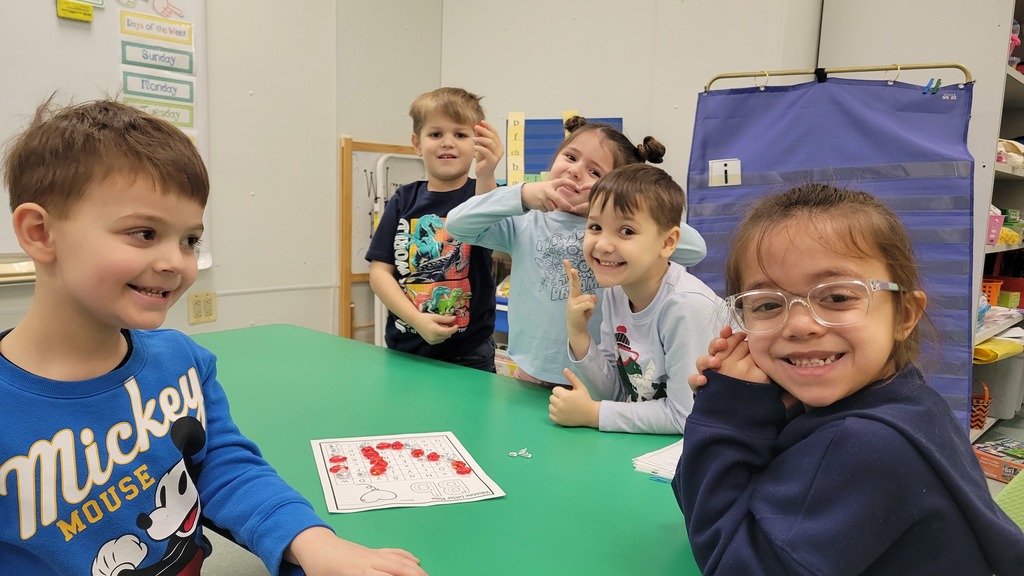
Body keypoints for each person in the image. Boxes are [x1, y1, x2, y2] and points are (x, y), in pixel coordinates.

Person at [0, 98, 426, 576]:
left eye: (189, 240)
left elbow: (222, 466)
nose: (177, 263)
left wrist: (311, 542)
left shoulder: (183, 362)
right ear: (40, 232)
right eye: (143, 233)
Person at [674, 183, 1024, 575]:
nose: (800, 324)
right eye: (768, 304)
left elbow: (729, 563)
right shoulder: (904, 399)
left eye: (837, 297)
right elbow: (703, 500)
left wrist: (723, 419)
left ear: (905, 315)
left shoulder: (866, 442)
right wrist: (749, 413)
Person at [447, 116, 707, 386]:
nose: (575, 171)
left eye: (595, 172)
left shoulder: (614, 233)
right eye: (570, 157)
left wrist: (617, 203)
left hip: (598, 379)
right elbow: (458, 225)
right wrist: (523, 194)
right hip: (529, 372)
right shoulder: (527, 218)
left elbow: (694, 250)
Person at [553, 164, 723, 434]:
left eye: (626, 231)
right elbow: (618, 391)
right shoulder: (617, 290)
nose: (603, 245)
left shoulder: (685, 306)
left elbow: (685, 415)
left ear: (668, 243)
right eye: (595, 226)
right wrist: (578, 334)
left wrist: (594, 414)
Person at [365, 87, 501, 372]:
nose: (448, 143)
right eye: (436, 134)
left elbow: (491, 220)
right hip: (407, 347)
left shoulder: (480, 194)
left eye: (460, 135)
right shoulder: (403, 200)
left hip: (469, 353)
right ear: (417, 142)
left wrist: (487, 173)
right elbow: (380, 272)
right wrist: (416, 320)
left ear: (477, 142)